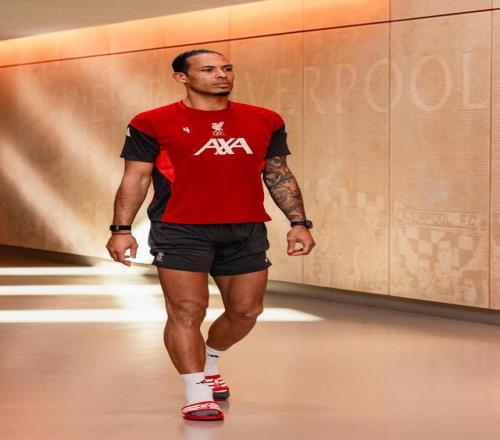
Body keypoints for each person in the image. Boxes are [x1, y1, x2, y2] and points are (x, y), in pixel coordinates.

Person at [106, 49, 316, 421]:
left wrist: (298, 222)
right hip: (180, 228)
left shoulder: (265, 120)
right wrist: (121, 229)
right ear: (182, 77)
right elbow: (136, 177)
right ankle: (197, 392)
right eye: (208, 69)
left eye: (226, 68)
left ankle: (210, 360)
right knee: (187, 310)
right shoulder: (151, 122)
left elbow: (278, 173)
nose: (221, 75)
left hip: (245, 228)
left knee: (246, 311)